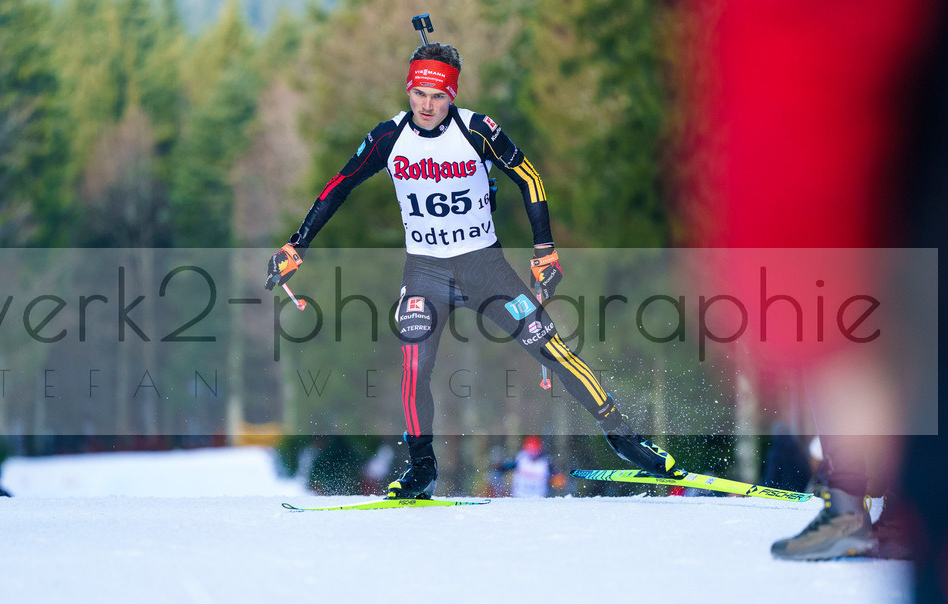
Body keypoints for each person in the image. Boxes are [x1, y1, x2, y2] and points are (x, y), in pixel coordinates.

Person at [266, 40, 679, 499]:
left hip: (486, 269)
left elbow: (529, 176)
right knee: (414, 363)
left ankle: (624, 438)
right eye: (418, 94)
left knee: (552, 348)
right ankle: (421, 466)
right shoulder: (388, 137)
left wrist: (545, 249)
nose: (426, 105)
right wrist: (295, 245)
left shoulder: (478, 129)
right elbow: (339, 185)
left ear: (453, 96)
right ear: (408, 91)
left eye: (438, 96)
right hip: (425, 270)